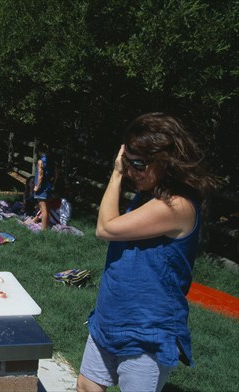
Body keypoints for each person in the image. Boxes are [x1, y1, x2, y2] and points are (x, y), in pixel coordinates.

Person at [76, 113, 217, 392]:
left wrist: (115, 174)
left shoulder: (177, 206)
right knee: (86, 386)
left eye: (139, 163)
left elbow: (106, 228)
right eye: (128, 162)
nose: (131, 171)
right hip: (110, 318)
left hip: (146, 329)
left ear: (165, 161)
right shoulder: (149, 195)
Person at [33, 142, 57, 230]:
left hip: (42, 187)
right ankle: (46, 226)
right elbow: (56, 174)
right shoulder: (52, 161)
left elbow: (40, 175)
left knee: (43, 209)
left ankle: (44, 229)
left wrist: (37, 186)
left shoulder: (41, 161)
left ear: (39, 151)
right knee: (47, 207)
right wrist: (53, 184)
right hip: (49, 186)